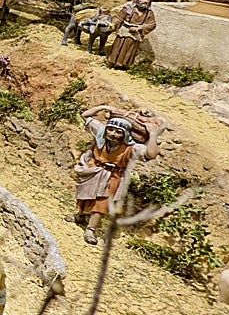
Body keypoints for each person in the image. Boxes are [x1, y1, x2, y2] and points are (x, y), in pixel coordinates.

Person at [70, 104, 164, 245]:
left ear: (124, 134)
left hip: (112, 176)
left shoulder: (131, 148)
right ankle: (80, 216)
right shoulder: (100, 133)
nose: (113, 134)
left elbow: (151, 154)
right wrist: (103, 106)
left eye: (118, 132)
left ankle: (91, 229)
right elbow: (85, 115)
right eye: (110, 130)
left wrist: (153, 135)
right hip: (93, 170)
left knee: (102, 203)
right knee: (85, 195)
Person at [105, 0, 156, 70]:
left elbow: (152, 24)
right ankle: (112, 62)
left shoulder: (149, 13)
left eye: (148, 0)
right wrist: (113, 24)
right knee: (118, 46)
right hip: (125, 30)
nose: (145, 1)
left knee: (130, 49)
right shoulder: (128, 9)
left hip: (135, 34)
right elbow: (119, 18)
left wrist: (140, 28)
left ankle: (125, 65)